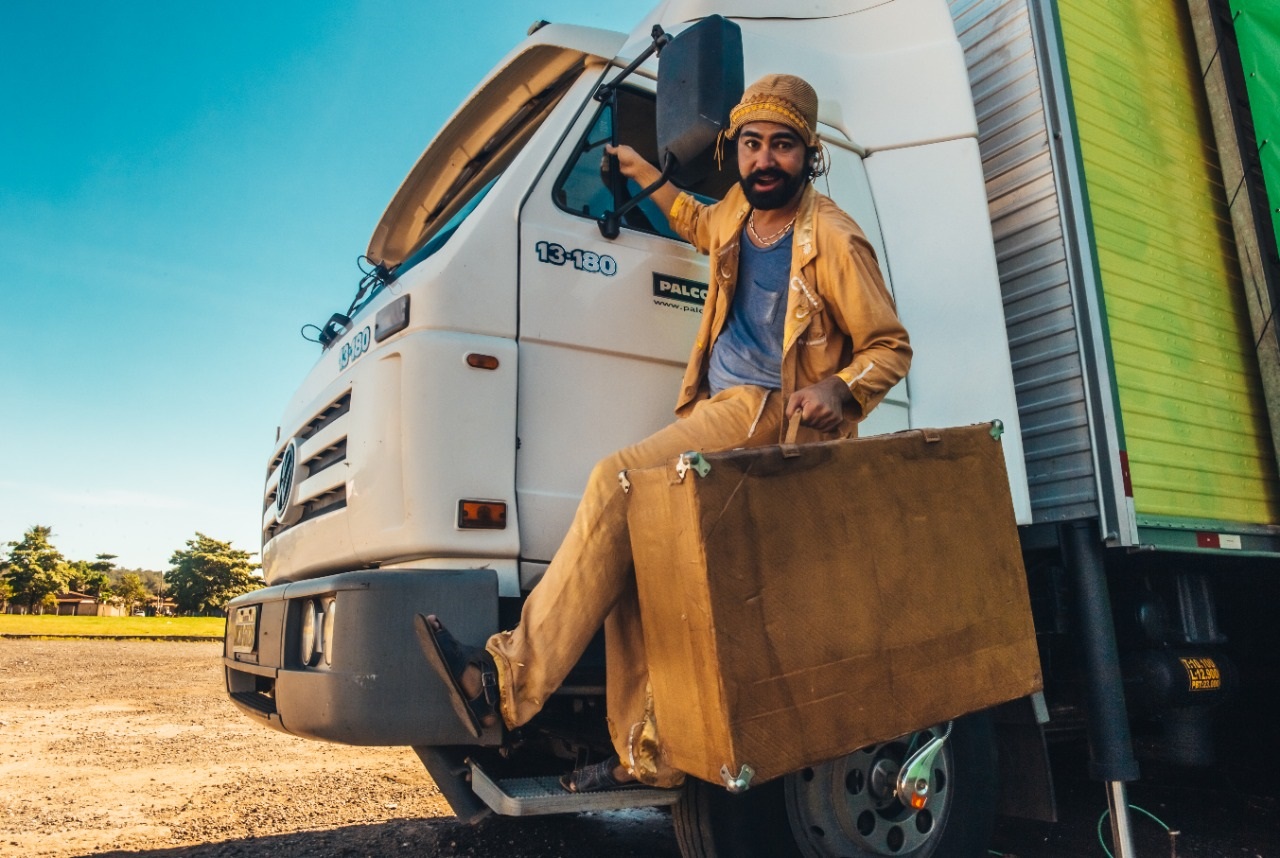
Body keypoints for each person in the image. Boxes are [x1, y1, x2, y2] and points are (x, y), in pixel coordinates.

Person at [416, 73, 911, 793]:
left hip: (770, 414)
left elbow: (889, 345)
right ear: (734, 151)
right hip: (717, 409)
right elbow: (694, 220)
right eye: (751, 145)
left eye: (782, 146)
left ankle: (504, 682)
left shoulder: (832, 236)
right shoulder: (741, 209)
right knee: (636, 561)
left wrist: (840, 386)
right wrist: (642, 171)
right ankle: (646, 753)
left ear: (810, 156)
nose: (764, 160)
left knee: (617, 480)